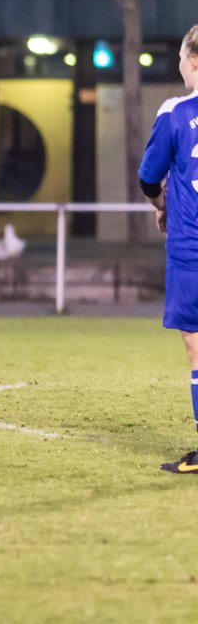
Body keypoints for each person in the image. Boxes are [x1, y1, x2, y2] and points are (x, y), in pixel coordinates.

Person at [140, 25, 198, 473]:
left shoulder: (175, 112)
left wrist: (162, 203)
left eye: (181, 58)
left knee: (197, 342)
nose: (178, 66)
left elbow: (148, 176)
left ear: (193, 62)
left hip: (192, 247)